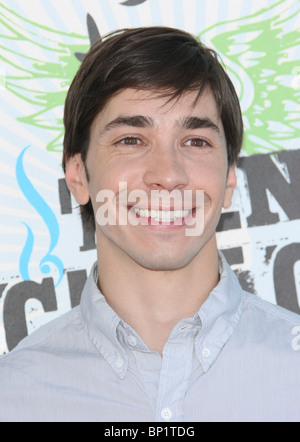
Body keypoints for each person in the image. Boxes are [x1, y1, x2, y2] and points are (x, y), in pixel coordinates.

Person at [0, 26, 299, 423]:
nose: (168, 174)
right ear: (78, 177)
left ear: (229, 180)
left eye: (196, 141)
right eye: (131, 140)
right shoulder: (13, 395)